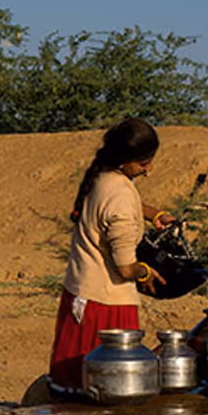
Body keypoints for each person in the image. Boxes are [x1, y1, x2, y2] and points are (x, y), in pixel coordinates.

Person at [47, 117, 175, 394]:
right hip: (104, 306)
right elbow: (126, 269)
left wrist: (156, 215)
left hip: (81, 292)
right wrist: (146, 271)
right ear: (124, 161)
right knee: (105, 389)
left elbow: (121, 204)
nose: (149, 169)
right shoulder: (119, 196)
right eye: (143, 164)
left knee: (72, 388)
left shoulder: (103, 177)